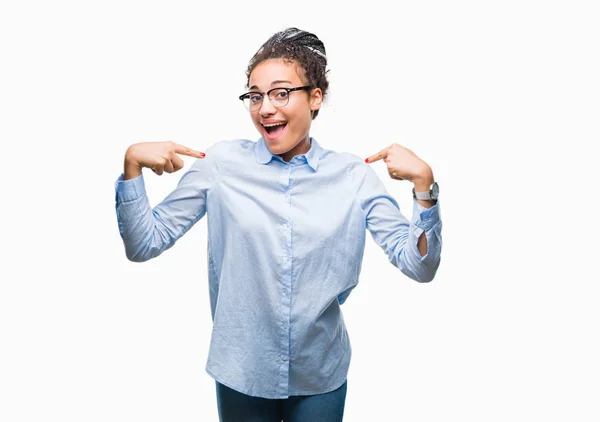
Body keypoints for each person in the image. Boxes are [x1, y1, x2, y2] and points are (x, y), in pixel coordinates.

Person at [115, 27, 442, 422]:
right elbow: (144, 244)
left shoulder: (353, 176)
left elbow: (419, 266)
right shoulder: (222, 165)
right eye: (255, 95)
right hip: (242, 370)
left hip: (319, 370)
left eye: (281, 93)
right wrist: (132, 165)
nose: (265, 107)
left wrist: (424, 185)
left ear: (315, 98)